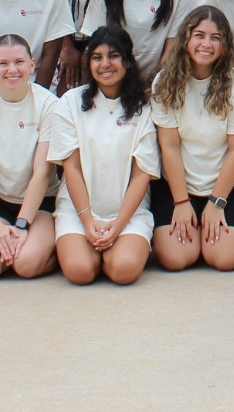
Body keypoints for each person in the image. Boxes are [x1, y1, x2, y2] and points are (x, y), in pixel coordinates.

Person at [151, 7, 234, 272]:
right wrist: (180, 202)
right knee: (176, 259)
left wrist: (216, 203)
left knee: (223, 259)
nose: (206, 44)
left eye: (216, 38)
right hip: (179, 184)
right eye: (199, 35)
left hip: (229, 185)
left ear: (225, 45)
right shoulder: (164, 82)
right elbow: (169, 146)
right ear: (185, 39)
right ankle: (193, 225)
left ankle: (209, 225)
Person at [51, 25, 159, 285]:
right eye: (97, 57)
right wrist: (87, 221)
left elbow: (142, 174)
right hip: (78, 211)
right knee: (80, 272)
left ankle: (112, 250)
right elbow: (72, 168)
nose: (105, 64)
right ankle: (87, 249)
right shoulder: (70, 102)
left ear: (128, 62)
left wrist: (119, 225)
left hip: (127, 213)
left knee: (124, 271)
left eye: (113, 56)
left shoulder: (144, 108)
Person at [0, 34, 66, 280]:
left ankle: (49, 255)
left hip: (39, 202)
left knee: (26, 266)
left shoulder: (48, 104)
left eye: (19, 62)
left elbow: (42, 173)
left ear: (32, 65)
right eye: (3, 63)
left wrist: (22, 225)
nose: (12, 70)